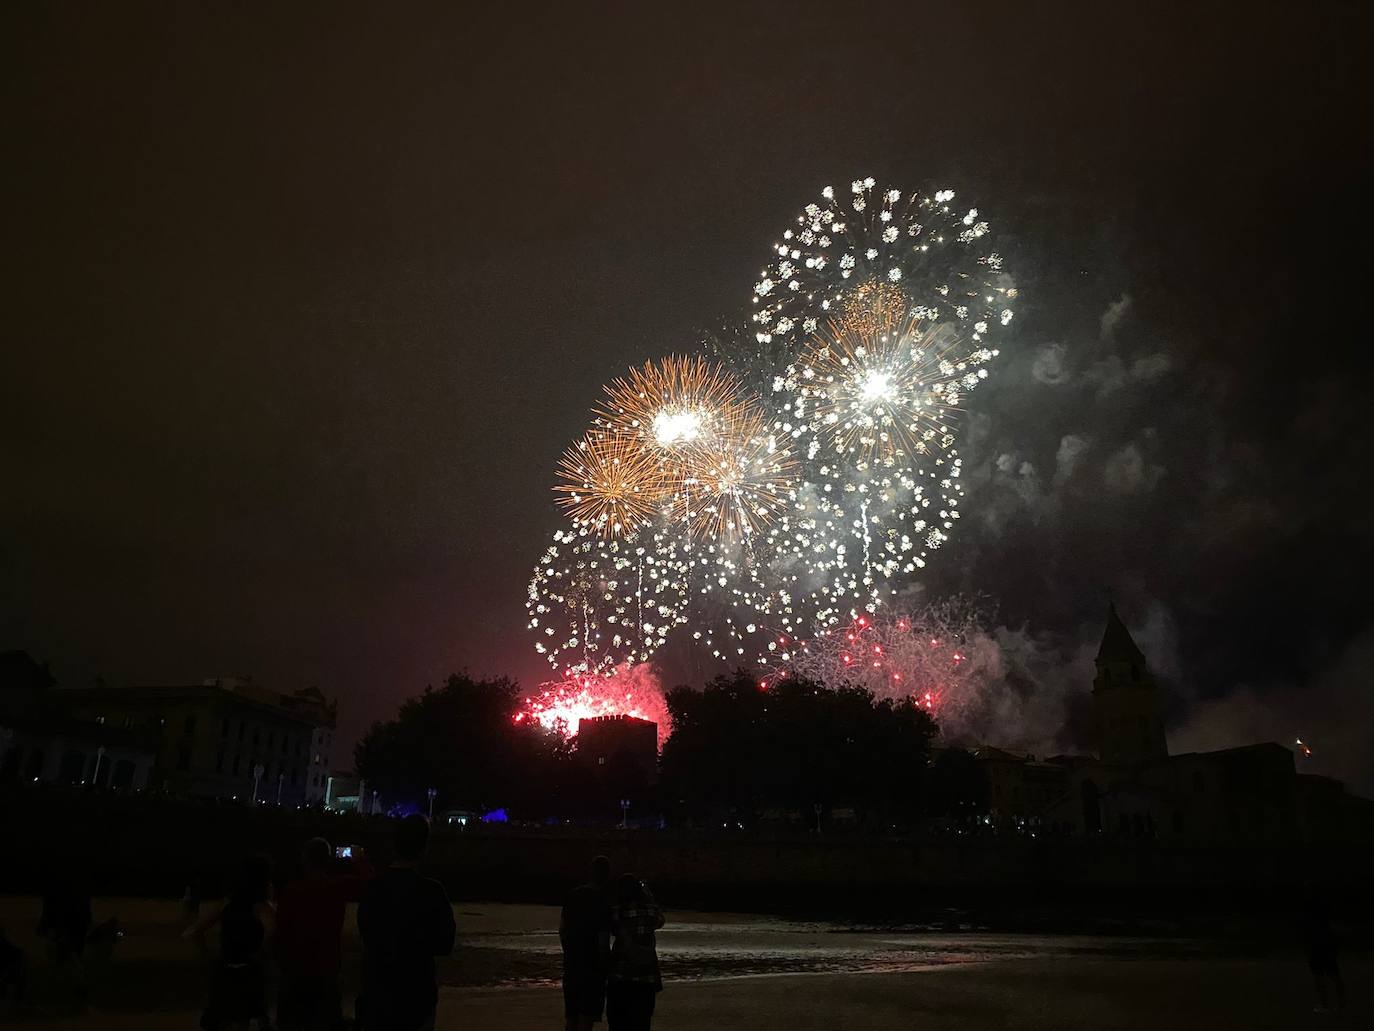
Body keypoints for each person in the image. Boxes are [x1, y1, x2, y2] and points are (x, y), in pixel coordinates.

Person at [357, 815, 455, 1031]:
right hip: (416, 993)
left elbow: (365, 932)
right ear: (424, 847)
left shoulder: (373, 889)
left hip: (377, 991)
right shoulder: (432, 891)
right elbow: (445, 944)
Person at [275, 837, 374, 1031]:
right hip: (326, 968)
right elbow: (371, 885)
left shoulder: (291, 891)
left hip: (295, 970)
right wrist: (360, 860)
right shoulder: (337, 887)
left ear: (305, 860)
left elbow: (282, 931)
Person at [188, 854, 276, 1031]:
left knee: (227, 1019)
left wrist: (207, 957)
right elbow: (274, 932)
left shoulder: (228, 903)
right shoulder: (260, 907)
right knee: (244, 1018)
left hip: (225, 970)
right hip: (249, 972)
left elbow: (196, 931)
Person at [560, 855, 612, 1031]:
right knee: (586, 1017)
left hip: (572, 964)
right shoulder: (603, 900)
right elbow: (603, 938)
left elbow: (563, 929)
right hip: (592, 967)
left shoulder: (572, 895)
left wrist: (568, 951)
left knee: (571, 1016)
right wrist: (605, 965)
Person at [605, 875, 663, 1031]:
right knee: (642, 1023)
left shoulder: (617, 912)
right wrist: (648, 894)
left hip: (620, 976)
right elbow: (660, 919)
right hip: (646, 978)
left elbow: (608, 926)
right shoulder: (651, 911)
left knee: (617, 1024)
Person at [1304, 886, 1345, 1014]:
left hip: (1318, 945)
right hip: (1326, 945)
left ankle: (1325, 1004)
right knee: (1333, 975)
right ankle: (1340, 1004)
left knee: (1319, 977)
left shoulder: (1312, 913)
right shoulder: (1327, 912)